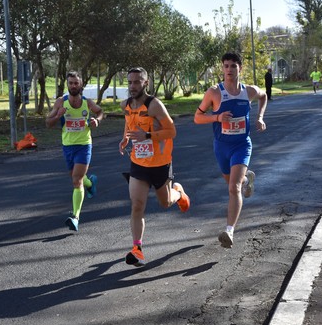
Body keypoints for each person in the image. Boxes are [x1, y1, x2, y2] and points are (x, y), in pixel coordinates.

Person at [194, 52, 267, 249]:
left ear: (239, 68)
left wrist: (260, 117)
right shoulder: (214, 93)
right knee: (233, 182)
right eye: (225, 66)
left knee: (233, 188)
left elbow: (264, 96)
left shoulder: (249, 91)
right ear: (222, 68)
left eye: (233, 66)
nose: (229, 70)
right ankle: (247, 178)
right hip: (221, 146)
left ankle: (229, 230)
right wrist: (216, 118)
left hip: (242, 145)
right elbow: (197, 117)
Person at [119, 67, 190, 267]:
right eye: (130, 82)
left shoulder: (154, 105)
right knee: (137, 205)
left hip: (160, 163)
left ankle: (179, 192)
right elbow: (129, 123)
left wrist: (148, 136)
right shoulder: (125, 104)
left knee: (165, 202)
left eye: (137, 82)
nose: (132, 86)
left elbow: (172, 131)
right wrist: (125, 139)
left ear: (145, 83)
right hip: (138, 163)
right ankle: (137, 249)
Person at [46, 71, 103, 232]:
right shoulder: (60, 102)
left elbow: (100, 112)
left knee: (76, 180)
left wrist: (96, 121)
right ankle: (91, 183)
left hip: (84, 145)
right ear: (67, 85)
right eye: (70, 83)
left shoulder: (87, 102)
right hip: (67, 146)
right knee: (77, 177)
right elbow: (48, 123)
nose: (73, 86)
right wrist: (57, 116)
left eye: (76, 83)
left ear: (81, 84)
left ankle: (75, 217)